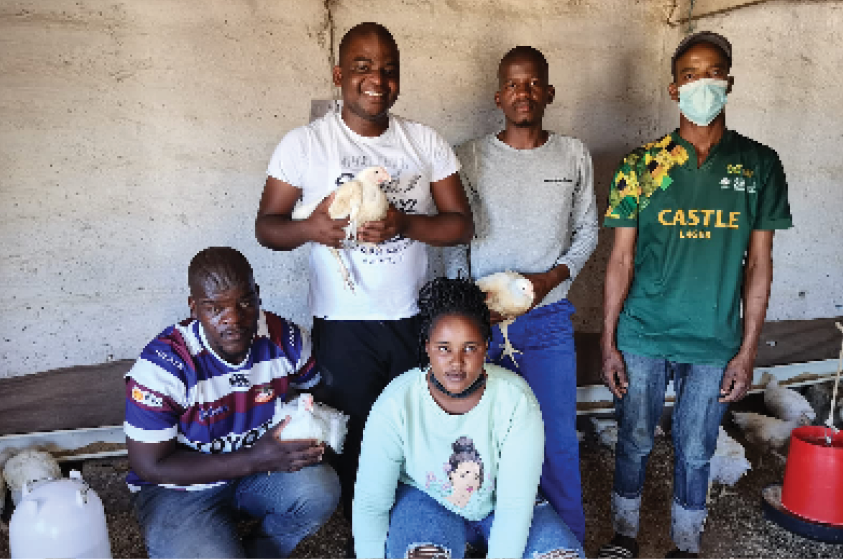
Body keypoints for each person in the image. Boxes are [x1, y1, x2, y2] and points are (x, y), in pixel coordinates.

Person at [255, 21, 473, 522]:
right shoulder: (305, 144)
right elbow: (267, 227)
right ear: (338, 75)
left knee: (416, 433)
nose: (377, 79)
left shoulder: (424, 142)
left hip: (414, 318)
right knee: (352, 442)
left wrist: (404, 224)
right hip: (343, 324)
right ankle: (365, 538)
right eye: (362, 67)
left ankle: (418, 532)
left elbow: (461, 224)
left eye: (388, 70)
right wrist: (311, 228)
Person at [598, 32, 792, 558]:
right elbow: (619, 259)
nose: (701, 84)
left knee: (696, 447)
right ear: (673, 88)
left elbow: (760, 267)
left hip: (713, 338)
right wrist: (609, 341)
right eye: (690, 75)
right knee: (634, 438)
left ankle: (686, 545)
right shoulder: (642, 166)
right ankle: (624, 535)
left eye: (711, 74)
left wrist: (748, 350)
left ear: (728, 83)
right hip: (643, 331)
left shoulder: (758, 166)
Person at [449, 45, 598, 543]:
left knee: (555, 440)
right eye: (513, 84)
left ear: (549, 92)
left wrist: (549, 282)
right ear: (498, 95)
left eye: (533, 83)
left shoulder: (573, 153)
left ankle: (566, 543)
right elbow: (456, 240)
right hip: (482, 325)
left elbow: (587, 233)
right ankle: (480, 534)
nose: (523, 92)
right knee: (479, 435)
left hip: (548, 320)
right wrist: (463, 314)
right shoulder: (468, 155)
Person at [124, 247, 340, 558]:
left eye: (245, 303)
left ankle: (258, 552)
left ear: (258, 296)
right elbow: (150, 466)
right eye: (215, 308)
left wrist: (306, 425)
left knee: (319, 490)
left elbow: (317, 392)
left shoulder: (285, 339)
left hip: (257, 474)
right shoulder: (164, 367)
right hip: (179, 490)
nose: (233, 319)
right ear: (194, 307)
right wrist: (255, 458)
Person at [352, 277, 584, 559]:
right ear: (427, 347)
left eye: (470, 348)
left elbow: (513, 507)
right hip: (427, 498)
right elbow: (371, 504)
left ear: (487, 347)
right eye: (443, 348)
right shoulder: (397, 402)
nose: (456, 362)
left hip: (498, 503)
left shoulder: (516, 401)